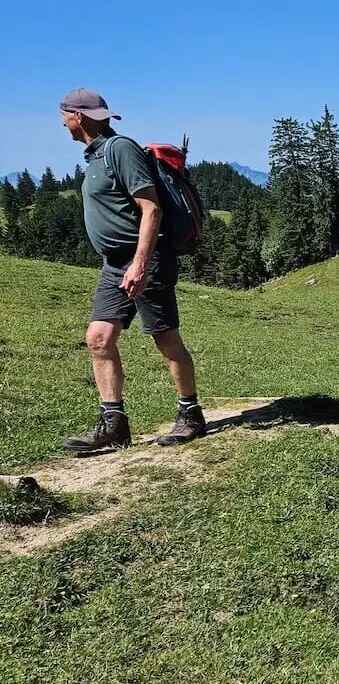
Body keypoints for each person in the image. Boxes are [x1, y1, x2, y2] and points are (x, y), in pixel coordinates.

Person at [59, 88, 205, 453]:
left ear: (78, 116)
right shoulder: (96, 156)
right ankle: (114, 425)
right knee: (98, 339)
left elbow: (151, 209)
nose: (62, 123)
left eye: (64, 115)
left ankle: (190, 415)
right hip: (114, 265)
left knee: (166, 339)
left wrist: (140, 264)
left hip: (145, 261)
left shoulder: (120, 149)